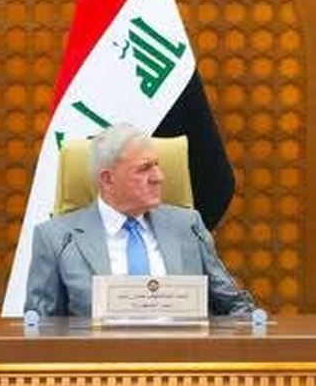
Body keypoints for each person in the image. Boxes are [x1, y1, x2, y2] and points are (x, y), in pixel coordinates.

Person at [24, 123, 256, 318]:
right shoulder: (57, 239)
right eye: (144, 169)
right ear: (107, 179)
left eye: (157, 166)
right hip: (101, 358)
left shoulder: (188, 226)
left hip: (180, 355)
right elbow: (39, 328)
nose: (159, 177)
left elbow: (235, 306)